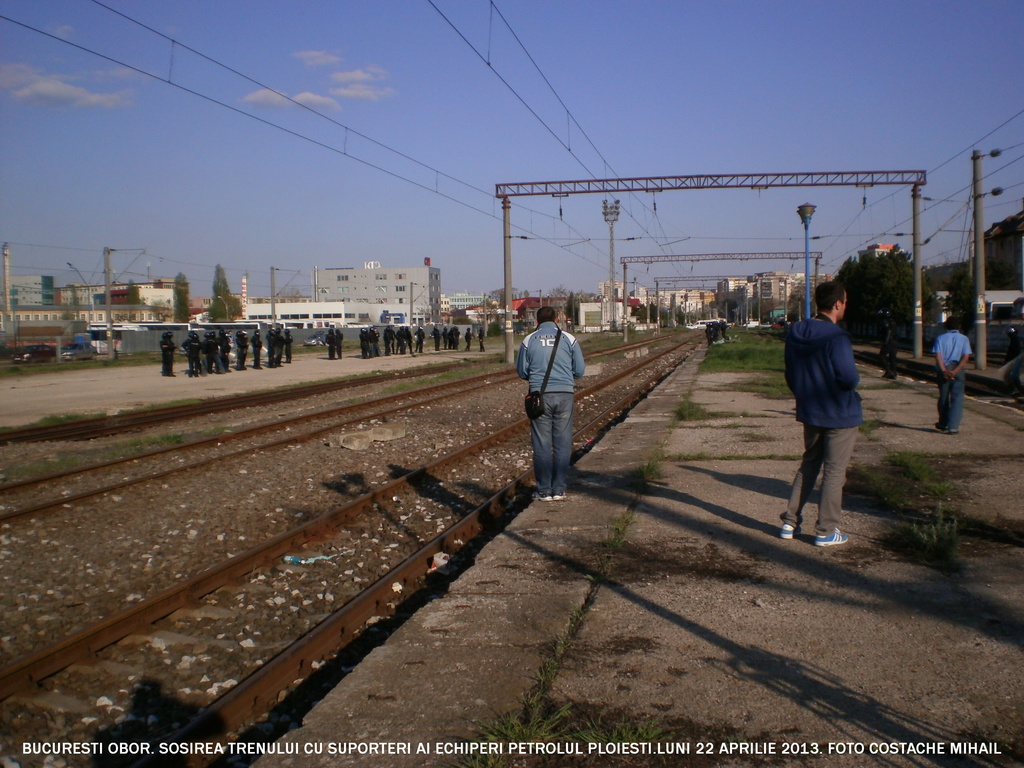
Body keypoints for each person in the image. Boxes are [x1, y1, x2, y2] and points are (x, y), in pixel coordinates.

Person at [779, 281, 862, 547]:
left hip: (811, 410)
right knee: (835, 471)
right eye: (845, 301)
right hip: (839, 412)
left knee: (809, 464)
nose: (845, 306)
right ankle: (826, 530)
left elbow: (790, 373)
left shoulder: (796, 331)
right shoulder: (837, 337)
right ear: (838, 304)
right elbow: (849, 379)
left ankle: (789, 522)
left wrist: (804, 394)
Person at [517, 306, 586, 502]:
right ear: (557, 320)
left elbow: (522, 371)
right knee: (563, 443)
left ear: (537, 321)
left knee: (542, 444)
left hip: (540, 396)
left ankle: (544, 491)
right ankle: (559, 489)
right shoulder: (569, 339)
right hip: (564, 395)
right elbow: (579, 370)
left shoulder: (528, 340)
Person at [932, 316, 972, 434]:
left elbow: (938, 356)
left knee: (944, 397)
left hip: (943, 369)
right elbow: (966, 357)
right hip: (958, 368)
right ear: (959, 326)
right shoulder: (964, 339)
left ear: (946, 326)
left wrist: (944, 370)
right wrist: (955, 371)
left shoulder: (940, 338)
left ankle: (943, 423)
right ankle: (953, 426)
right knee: (957, 398)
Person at [878, 308, 898, 379]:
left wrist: (885, 341)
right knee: (893, 358)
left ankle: (888, 371)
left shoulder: (884, 321)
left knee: (881, 356)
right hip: (895, 342)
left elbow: (888, 331)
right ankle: (894, 373)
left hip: (889, 341)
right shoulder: (893, 321)